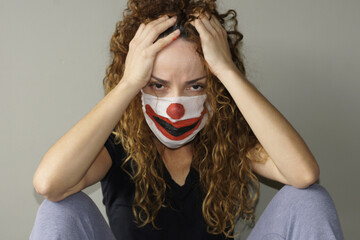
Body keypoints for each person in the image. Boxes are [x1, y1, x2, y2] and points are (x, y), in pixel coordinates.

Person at [30, 0, 344, 239]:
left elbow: (303, 174)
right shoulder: (117, 145)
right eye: (158, 84)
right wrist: (126, 84)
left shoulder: (227, 140)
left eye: (195, 85)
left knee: (310, 199)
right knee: (60, 209)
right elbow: (49, 184)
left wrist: (226, 70)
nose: (175, 105)